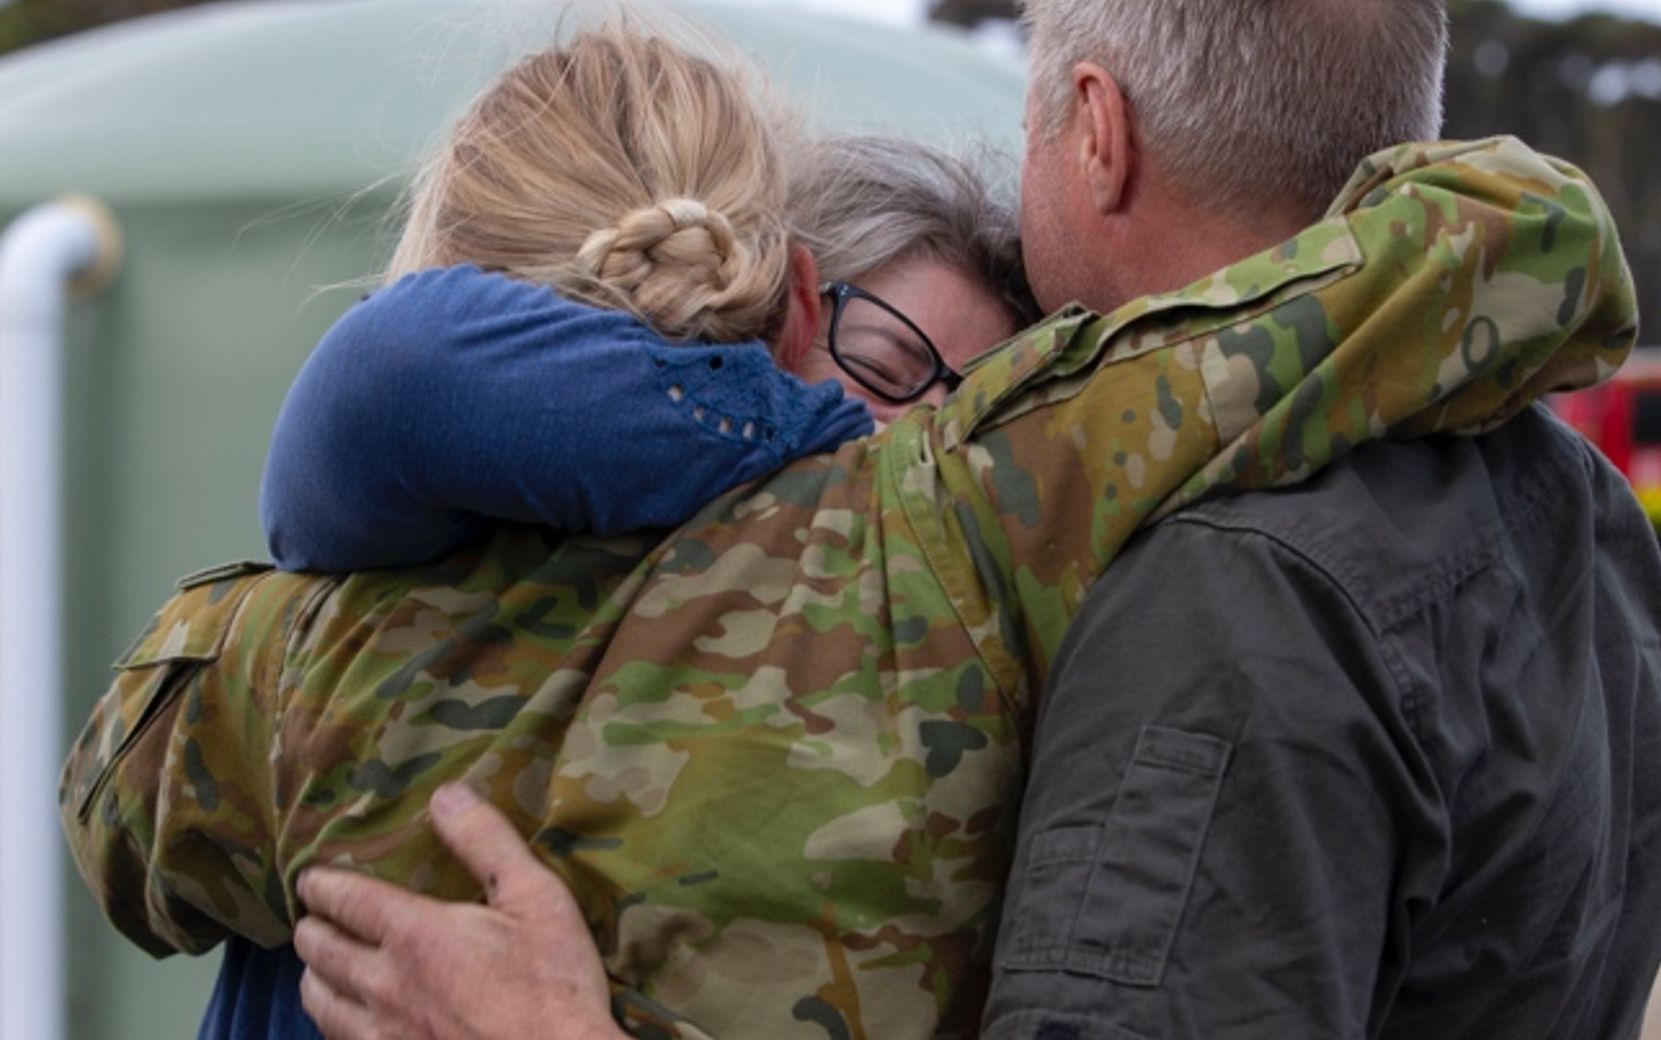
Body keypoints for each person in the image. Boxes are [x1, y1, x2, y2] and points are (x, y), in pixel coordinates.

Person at [61, 6, 1643, 1040]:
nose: (920, 420)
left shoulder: (264, 673)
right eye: (892, 366)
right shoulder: (934, 529)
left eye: (976, 389)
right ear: (788, 301)